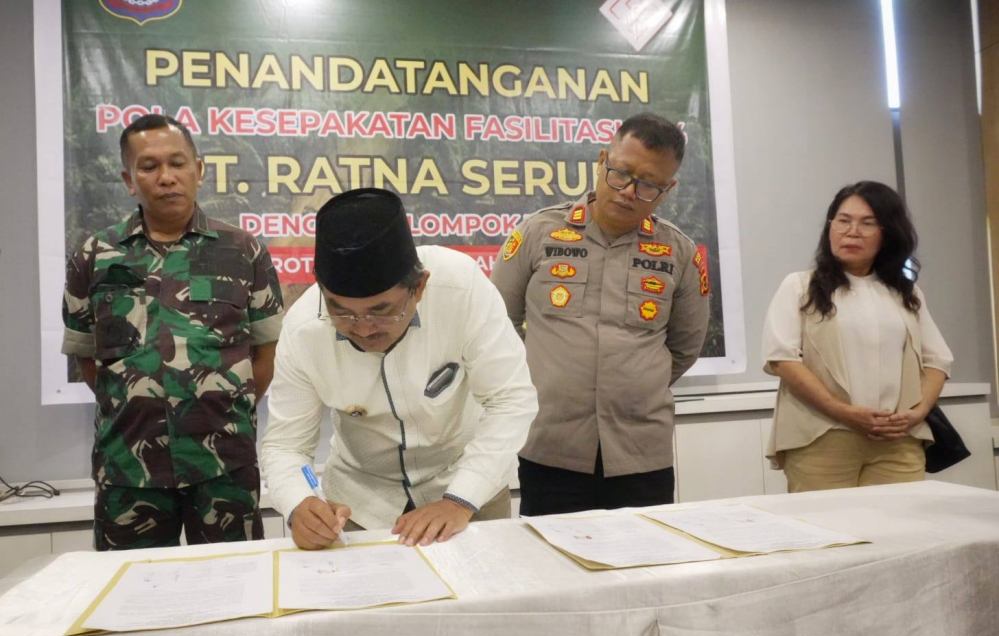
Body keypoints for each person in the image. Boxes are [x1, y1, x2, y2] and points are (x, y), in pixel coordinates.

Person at [260, 188, 537, 549]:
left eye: (382, 311)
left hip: (468, 488)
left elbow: (510, 400)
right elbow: (286, 445)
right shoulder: (303, 329)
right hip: (362, 504)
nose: (363, 328)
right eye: (342, 312)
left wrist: (461, 500)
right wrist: (299, 503)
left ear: (418, 287)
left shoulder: (460, 288)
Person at [62, 114, 284, 550]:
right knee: (132, 587)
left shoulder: (244, 251)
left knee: (233, 583)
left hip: (224, 466)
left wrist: (217, 410)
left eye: (177, 163)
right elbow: (87, 358)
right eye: (149, 167)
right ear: (129, 180)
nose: (166, 177)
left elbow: (265, 354)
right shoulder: (95, 255)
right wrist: (137, 405)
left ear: (198, 170)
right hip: (129, 468)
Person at [490, 113, 710, 516]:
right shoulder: (537, 233)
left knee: (644, 554)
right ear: (602, 160)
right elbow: (496, 326)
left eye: (648, 184)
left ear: (668, 189)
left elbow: (685, 347)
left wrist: (633, 385)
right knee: (549, 554)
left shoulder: (679, 253)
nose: (628, 192)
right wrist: (545, 376)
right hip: (551, 446)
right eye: (620, 173)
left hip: (640, 453)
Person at [762, 181, 953, 491]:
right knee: (829, 521)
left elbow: (938, 360)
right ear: (830, 226)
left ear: (888, 233)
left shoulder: (906, 293)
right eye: (843, 220)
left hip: (897, 439)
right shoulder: (799, 286)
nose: (852, 232)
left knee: (902, 521)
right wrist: (844, 412)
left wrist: (918, 412)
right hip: (823, 435)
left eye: (867, 223)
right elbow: (783, 359)